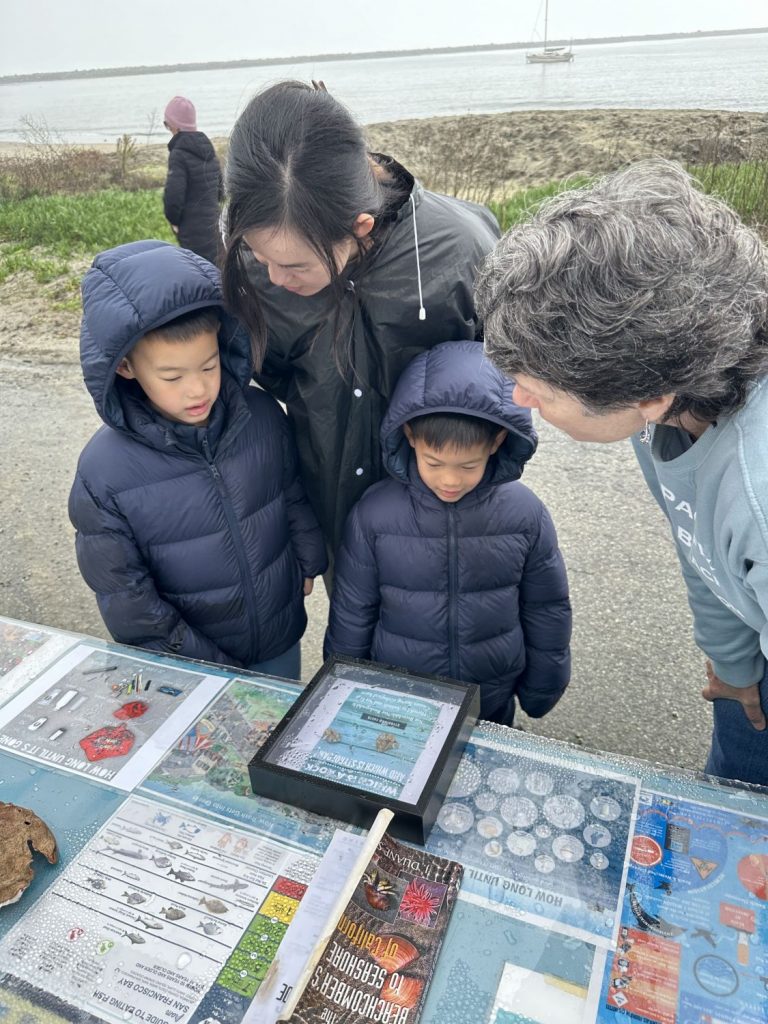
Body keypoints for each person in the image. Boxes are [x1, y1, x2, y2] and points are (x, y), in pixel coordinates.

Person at [475, 159, 768, 785]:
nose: (519, 401)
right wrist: (733, 664)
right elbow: (701, 547)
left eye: (538, 389)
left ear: (649, 394)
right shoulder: (667, 410)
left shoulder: (758, 492)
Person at [221, 80, 501, 561]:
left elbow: (503, 388)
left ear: (360, 227)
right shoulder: (252, 266)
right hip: (336, 514)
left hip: (451, 509)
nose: (273, 276)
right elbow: (275, 378)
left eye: (297, 266)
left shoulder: (462, 249)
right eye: (258, 253)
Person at [69, 240, 326, 678]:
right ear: (125, 368)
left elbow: (290, 492)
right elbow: (126, 597)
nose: (197, 389)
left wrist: (308, 557)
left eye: (209, 366)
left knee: (283, 736)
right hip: (190, 665)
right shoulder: (103, 473)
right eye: (172, 376)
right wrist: (203, 665)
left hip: (278, 636)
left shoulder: (262, 416)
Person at [325, 341, 571, 724]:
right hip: (400, 698)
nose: (450, 480)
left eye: (468, 465)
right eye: (433, 462)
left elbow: (546, 606)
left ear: (498, 441)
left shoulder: (525, 514)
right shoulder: (374, 514)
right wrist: (343, 681)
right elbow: (353, 609)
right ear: (409, 435)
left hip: (488, 698)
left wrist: (544, 685)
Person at [163, 96, 223, 264]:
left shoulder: (179, 154)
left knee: (199, 273)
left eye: (167, 124)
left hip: (192, 229)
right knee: (219, 269)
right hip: (215, 225)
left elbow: (174, 196)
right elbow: (221, 190)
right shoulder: (207, 149)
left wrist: (174, 221)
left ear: (175, 125)